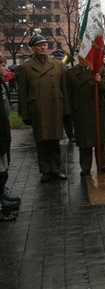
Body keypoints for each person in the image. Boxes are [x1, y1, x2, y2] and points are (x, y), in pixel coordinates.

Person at [19, 34, 70, 182]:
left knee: (55, 140)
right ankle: (45, 171)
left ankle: (56, 169)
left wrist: (66, 110)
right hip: (38, 109)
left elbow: (64, 89)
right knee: (41, 142)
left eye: (45, 45)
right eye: (39, 45)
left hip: (55, 107)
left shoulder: (58, 65)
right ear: (33, 48)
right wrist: (25, 114)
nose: (42, 47)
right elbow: (23, 92)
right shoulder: (26, 67)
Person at [66, 58, 105, 176]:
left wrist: (100, 81)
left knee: (99, 140)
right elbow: (68, 94)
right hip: (81, 111)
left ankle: (103, 164)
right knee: (84, 141)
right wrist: (70, 112)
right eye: (81, 56)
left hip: (98, 109)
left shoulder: (99, 69)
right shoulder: (71, 73)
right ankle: (85, 167)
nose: (84, 59)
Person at [0, 54, 21, 221]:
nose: (5, 69)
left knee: (3, 169)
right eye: (2, 65)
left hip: (3, 131)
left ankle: (2, 197)